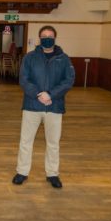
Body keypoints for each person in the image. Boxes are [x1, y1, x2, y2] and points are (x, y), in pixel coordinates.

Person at [12, 25, 75, 189]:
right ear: (40, 39)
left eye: (50, 35)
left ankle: (52, 173)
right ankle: (22, 172)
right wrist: (39, 94)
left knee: (53, 143)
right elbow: (24, 80)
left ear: (55, 38)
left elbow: (68, 81)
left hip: (54, 106)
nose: (47, 38)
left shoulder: (64, 58)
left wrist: (51, 95)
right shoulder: (30, 57)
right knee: (26, 141)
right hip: (32, 105)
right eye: (44, 35)